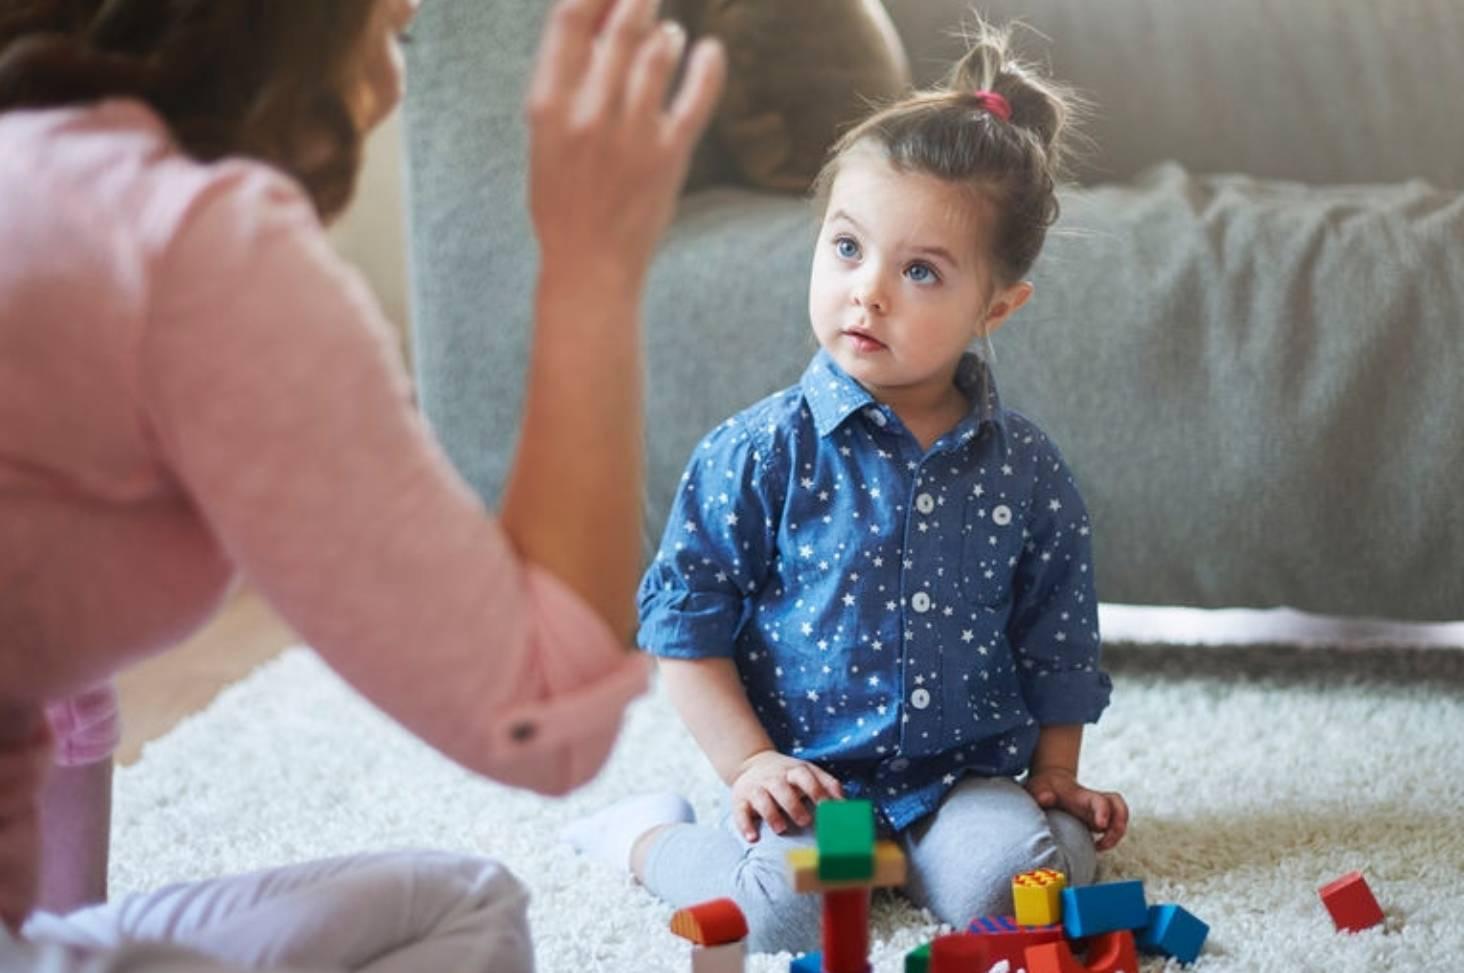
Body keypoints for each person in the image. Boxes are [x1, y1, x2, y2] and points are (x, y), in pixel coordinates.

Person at [0, 0, 724, 968]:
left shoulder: (43, 170)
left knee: (455, 901)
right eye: (389, 18)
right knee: (463, 916)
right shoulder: (193, 239)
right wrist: (593, 262)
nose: (402, 39)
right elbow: (538, 717)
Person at [563, 21, 1129, 953]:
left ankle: (987, 840)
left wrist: (1058, 767)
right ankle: (644, 835)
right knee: (788, 913)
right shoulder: (755, 453)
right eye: (847, 249)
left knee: (1013, 887)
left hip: (961, 778)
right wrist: (750, 764)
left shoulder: (1027, 470)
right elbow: (684, 632)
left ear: (996, 306)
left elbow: (1056, 633)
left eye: (918, 271)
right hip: (813, 778)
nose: (868, 292)